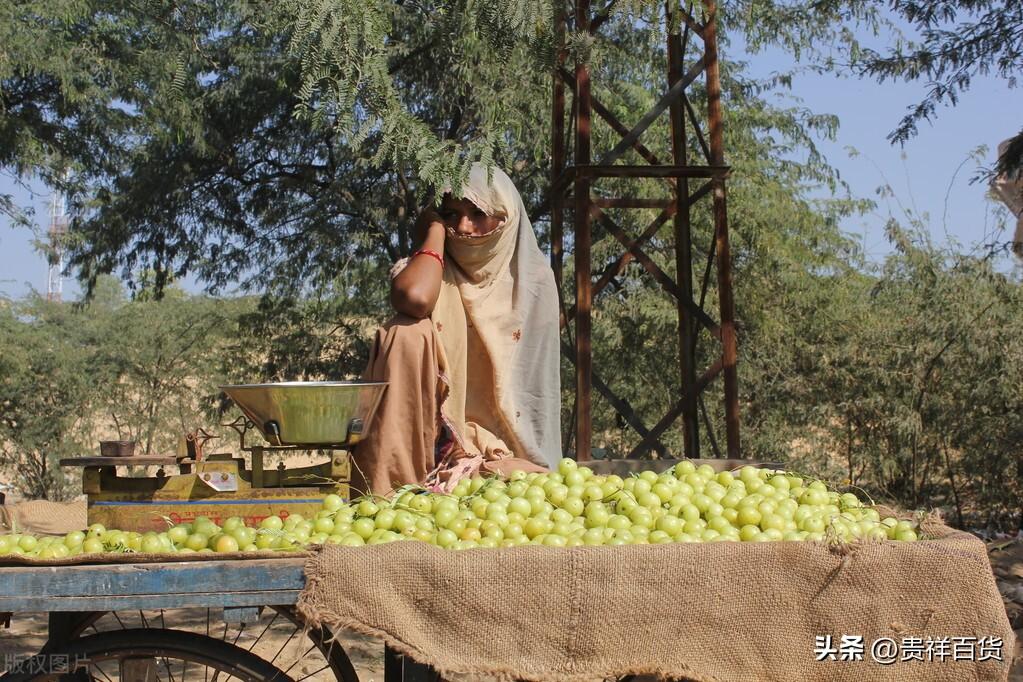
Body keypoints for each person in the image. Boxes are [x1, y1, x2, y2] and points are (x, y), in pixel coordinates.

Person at [350, 163, 562, 496]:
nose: (463, 227)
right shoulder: (428, 271)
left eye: (478, 213)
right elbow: (415, 298)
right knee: (406, 331)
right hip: (429, 452)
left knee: (521, 485)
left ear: (506, 217)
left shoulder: (532, 283)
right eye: (451, 214)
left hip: (502, 458)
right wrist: (433, 230)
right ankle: (393, 490)